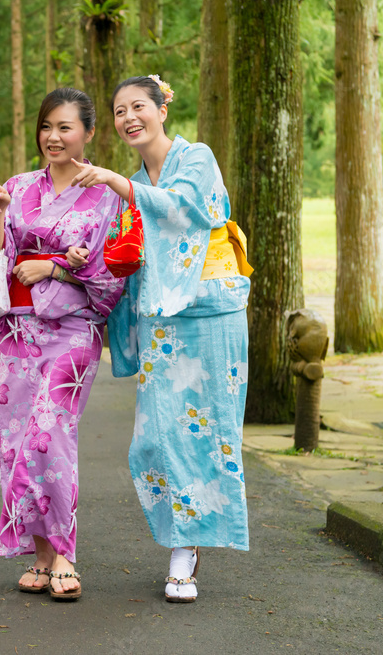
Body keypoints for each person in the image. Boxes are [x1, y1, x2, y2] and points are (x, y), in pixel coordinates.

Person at [69, 75, 253, 604]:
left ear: (161, 109)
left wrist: (116, 185)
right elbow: (122, 250)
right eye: (120, 111)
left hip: (211, 312)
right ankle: (182, 539)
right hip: (160, 319)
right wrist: (85, 259)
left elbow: (182, 208)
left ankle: (185, 552)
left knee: (208, 427)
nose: (130, 118)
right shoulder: (127, 182)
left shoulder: (197, 158)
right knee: (155, 437)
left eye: (139, 107)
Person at [0, 88, 125, 600]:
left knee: (50, 433)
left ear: (88, 133)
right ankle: (39, 555)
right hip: (17, 331)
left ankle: (64, 553)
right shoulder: (18, 185)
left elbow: (115, 269)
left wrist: (56, 265)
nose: (53, 137)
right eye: (46, 127)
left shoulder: (107, 194)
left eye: (65, 127)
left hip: (73, 330)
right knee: (17, 440)